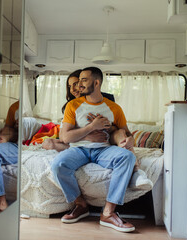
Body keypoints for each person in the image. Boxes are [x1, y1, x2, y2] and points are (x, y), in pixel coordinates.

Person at [50, 67, 136, 233]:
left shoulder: (114, 108)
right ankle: (80, 205)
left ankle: (108, 213)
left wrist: (130, 139)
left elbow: (127, 132)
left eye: (84, 80)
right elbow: (66, 137)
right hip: (78, 150)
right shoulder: (72, 105)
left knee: (127, 157)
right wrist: (92, 127)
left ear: (96, 83)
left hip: (104, 150)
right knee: (58, 165)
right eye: (79, 80)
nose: (79, 85)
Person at [0, 101, 19, 213]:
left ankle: (1, 200)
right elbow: (8, 127)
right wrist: (4, 137)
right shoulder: (14, 107)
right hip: (12, 144)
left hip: (22, 146)